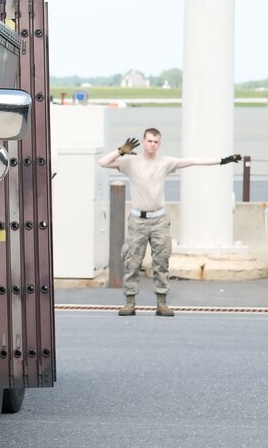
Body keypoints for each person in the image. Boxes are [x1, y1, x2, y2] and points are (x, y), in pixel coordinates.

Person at [98, 128, 241, 317]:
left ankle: (162, 302)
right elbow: (102, 162)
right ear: (143, 141)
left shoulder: (165, 163)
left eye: (156, 142)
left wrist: (223, 160)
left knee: (161, 262)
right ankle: (130, 302)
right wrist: (120, 151)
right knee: (132, 262)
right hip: (137, 220)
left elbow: (193, 161)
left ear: (160, 144)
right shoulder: (131, 162)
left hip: (159, 220)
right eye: (149, 141)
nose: (152, 145)